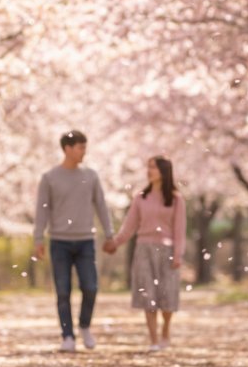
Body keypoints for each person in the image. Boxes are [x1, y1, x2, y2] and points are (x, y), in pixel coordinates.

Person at [33, 130, 114, 353]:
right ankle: (67, 335)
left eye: (85, 148)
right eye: (80, 148)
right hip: (59, 241)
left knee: (91, 287)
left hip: (86, 240)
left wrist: (109, 233)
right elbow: (42, 210)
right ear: (67, 148)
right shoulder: (49, 178)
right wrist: (38, 238)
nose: (83, 152)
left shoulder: (91, 175)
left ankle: (85, 326)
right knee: (62, 291)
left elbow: (101, 205)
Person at [104, 156, 186, 352]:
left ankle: (166, 330)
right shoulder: (140, 197)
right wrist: (114, 243)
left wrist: (177, 254)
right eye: (148, 167)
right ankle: (154, 339)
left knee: (166, 298)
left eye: (154, 168)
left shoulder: (176, 199)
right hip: (144, 250)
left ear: (164, 172)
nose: (149, 171)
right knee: (147, 295)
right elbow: (129, 227)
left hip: (166, 251)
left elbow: (180, 230)